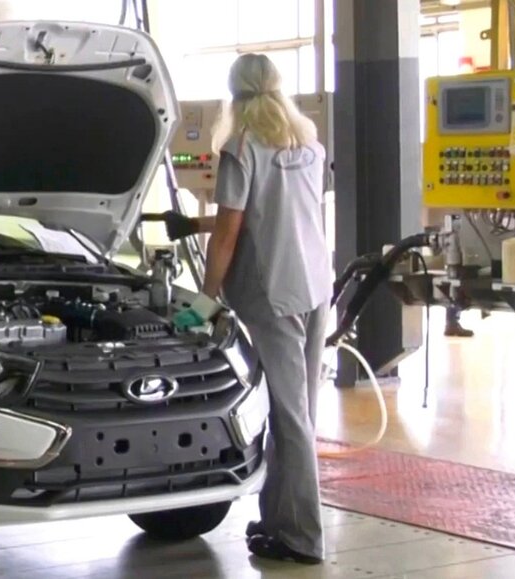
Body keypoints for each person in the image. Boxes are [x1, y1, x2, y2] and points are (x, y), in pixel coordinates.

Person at [163, 54, 332, 565]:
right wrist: (193, 225)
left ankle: (304, 537)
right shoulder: (307, 144)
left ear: (233, 95)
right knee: (298, 412)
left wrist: (205, 299)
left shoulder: (241, 147)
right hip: (315, 286)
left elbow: (231, 232)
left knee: (290, 418)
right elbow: (274, 212)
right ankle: (278, 522)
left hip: (273, 294)